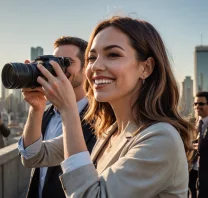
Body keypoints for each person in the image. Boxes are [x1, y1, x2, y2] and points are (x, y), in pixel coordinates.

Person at [20, 16, 195, 197]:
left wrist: (68, 110)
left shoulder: (160, 138)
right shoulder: (107, 131)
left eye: (113, 55)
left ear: (146, 68)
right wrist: (37, 107)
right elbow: (34, 156)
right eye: (92, 57)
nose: (96, 66)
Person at [18, 36, 97, 198]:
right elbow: (30, 157)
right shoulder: (45, 113)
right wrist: (36, 108)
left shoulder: (101, 117)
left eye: (66, 62)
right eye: (54, 62)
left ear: (85, 68)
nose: (58, 69)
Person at [194, 91, 208, 198]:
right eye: (195, 104)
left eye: (201, 104)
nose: (197, 106)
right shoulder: (197, 124)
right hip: (197, 173)